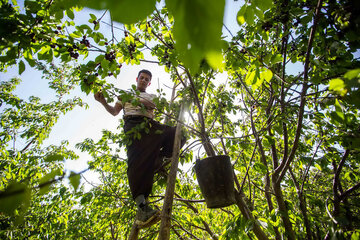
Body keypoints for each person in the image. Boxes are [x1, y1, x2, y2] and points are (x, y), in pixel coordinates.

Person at [94, 69, 185, 226]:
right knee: (136, 163)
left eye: (146, 79)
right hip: (133, 126)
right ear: (137, 79)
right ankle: (142, 207)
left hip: (150, 125)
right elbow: (115, 112)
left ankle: (159, 158)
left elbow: (152, 105)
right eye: (141, 78)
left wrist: (134, 100)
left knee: (177, 133)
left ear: (149, 83)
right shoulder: (124, 95)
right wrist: (103, 102)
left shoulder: (149, 96)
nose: (143, 80)